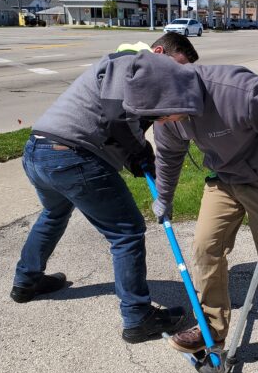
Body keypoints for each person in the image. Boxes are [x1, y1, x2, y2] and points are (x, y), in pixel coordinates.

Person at [120, 52, 258, 373]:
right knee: (204, 248)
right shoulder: (169, 119)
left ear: (174, 92)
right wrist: (163, 199)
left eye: (162, 113)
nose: (161, 121)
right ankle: (212, 327)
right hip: (224, 179)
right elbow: (168, 157)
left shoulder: (234, 89)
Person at [10, 33, 198, 344]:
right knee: (126, 232)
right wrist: (140, 153)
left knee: (54, 213)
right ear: (159, 52)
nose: (178, 77)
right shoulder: (131, 61)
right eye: (177, 67)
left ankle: (26, 281)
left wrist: (136, 157)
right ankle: (138, 317)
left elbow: (119, 130)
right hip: (69, 155)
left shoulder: (140, 79)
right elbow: (116, 118)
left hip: (40, 152)